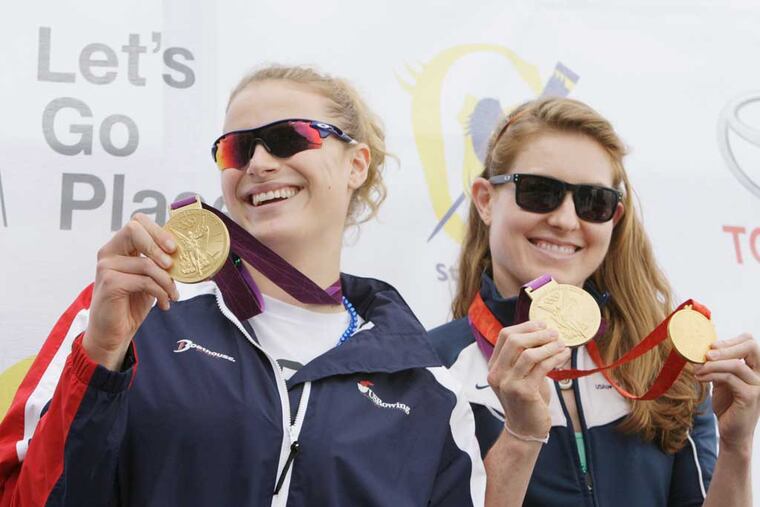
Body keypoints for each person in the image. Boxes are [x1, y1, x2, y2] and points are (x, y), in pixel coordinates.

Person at [0, 65, 486, 506]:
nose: (257, 163)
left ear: (356, 164)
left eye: (289, 138)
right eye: (237, 148)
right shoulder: (132, 312)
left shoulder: (427, 387)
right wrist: (101, 359)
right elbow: (25, 497)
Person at [429, 97, 760, 506]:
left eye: (593, 202)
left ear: (613, 219)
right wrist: (520, 436)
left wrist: (738, 447)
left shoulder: (663, 366)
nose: (567, 220)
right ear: (485, 200)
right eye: (539, 192)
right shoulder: (430, 370)